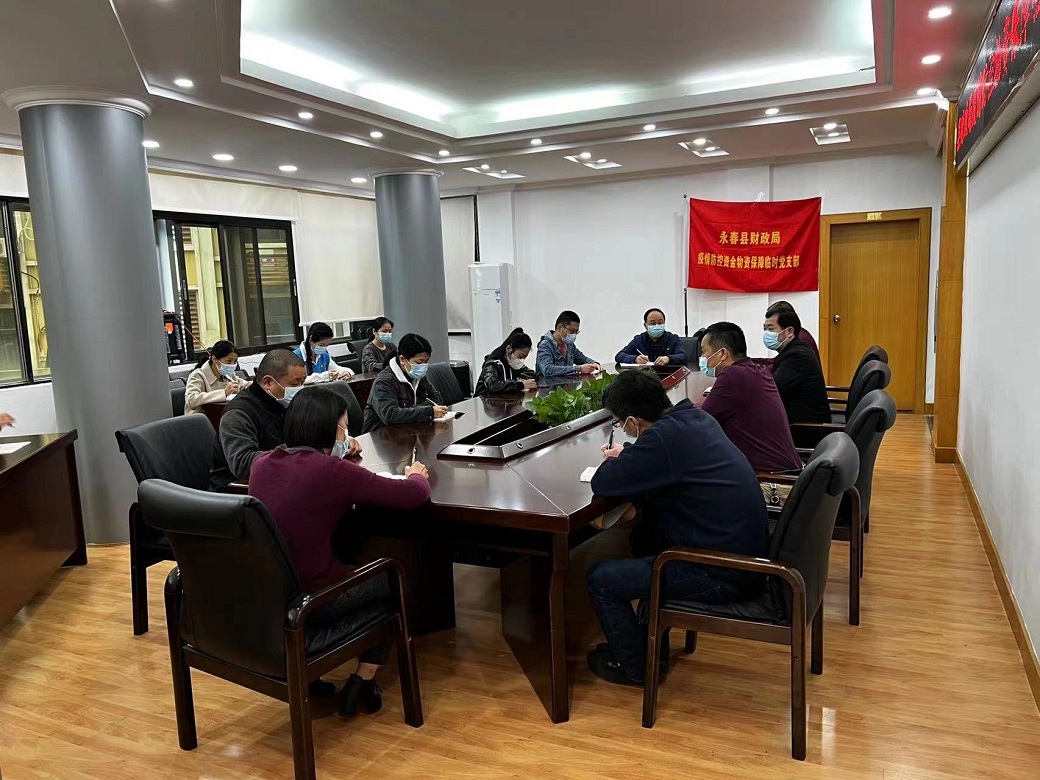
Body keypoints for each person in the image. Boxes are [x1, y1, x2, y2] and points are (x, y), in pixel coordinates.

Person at [250, 386, 430, 717]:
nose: (346, 435)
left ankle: (318, 679)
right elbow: (412, 495)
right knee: (393, 577)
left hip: (268, 595)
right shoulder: (331, 472)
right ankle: (363, 681)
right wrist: (417, 476)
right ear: (330, 429)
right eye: (344, 428)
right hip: (314, 597)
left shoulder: (262, 463)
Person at [585, 370, 768, 686]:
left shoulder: (664, 439)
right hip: (743, 555)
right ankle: (648, 648)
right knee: (645, 537)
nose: (622, 429)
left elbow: (604, 482)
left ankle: (636, 668)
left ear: (633, 422)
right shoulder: (694, 418)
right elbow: (668, 462)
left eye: (619, 423)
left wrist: (618, 459)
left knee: (601, 580)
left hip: (724, 572)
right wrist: (632, 455)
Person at [210, 349, 359, 491]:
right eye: (294, 384)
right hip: (240, 493)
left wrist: (340, 440)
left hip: (288, 478)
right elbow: (242, 464)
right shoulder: (237, 414)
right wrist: (304, 451)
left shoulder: (285, 402)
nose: (300, 389)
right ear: (268, 382)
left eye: (303, 382)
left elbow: (316, 432)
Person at [698, 322, 801, 475]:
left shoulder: (733, 376)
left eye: (704, 351)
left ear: (722, 354)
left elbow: (699, 422)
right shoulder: (756, 370)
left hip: (771, 481)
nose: (702, 358)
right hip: (787, 473)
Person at [362, 333, 448, 433]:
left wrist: (413, 411)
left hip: (409, 430)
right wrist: (427, 411)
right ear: (403, 359)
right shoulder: (384, 381)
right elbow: (390, 415)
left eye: (426, 361)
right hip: (380, 434)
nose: (423, 366)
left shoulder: (417, 375)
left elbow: (436, 398)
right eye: (419, 362)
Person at [764, 307, 831, 425]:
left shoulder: (797, 356)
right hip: (797, 422)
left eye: (771, 329)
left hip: (806, 428)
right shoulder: (794, 349)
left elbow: (771, 389)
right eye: (765, 329)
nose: (766, 334)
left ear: (789, 331)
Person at [184, 340, 246, 415]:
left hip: (223, 415)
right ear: (214, 359)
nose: (232, 365)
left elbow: (244, 384)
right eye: (229, 361)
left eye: (235, 361)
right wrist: (224, 393)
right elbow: (191, 400)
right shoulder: (198, 375)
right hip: (201, 419)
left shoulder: (228, 374)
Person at [474, 327, 538, 396]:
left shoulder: (513, 364)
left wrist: (529, 382)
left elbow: (532, 375)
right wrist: (521, 385)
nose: (521, 360)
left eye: (524, 358)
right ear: (509, 348)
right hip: (484, 400)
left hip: (502, 400)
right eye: (520, 356)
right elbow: (493, 385)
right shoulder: (493, 364)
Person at [536, 310, 601, 377]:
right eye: (572, 331)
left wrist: (594, 363)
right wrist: (578, 369)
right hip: (549, 383)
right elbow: (547, 369)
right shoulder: (545, 345)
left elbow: (582, 359)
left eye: (576, 332)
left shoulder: (569, 345)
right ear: (560, 328)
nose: (574, 335)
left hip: (566, 383)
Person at [614, 308, 687, 367]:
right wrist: (635, 359)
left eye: (660, 323)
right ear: (645, 326)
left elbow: (683, 356)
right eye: (652, 323)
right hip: (645, 376)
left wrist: (669, 358)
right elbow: (619, 356)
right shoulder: (639, 340)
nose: (657, 326)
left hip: (668, 374)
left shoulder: (673, 338)